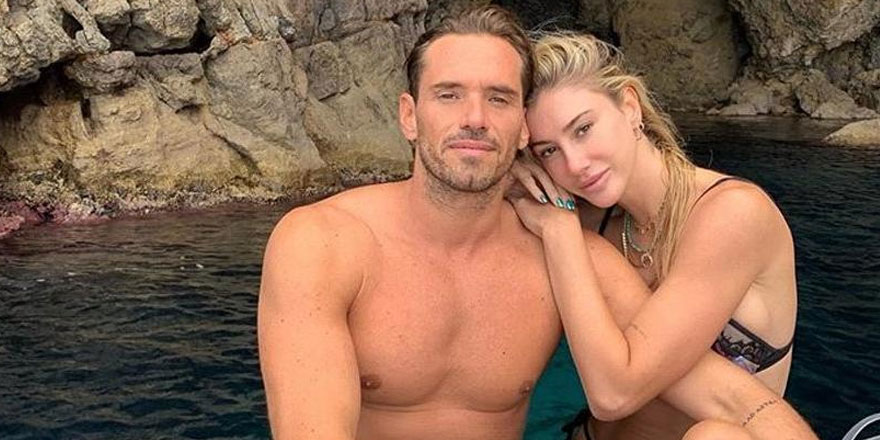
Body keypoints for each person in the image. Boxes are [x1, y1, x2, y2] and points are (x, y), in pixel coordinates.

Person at [258, 7, 816, 440]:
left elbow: (733, 398)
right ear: (410, 115)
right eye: (449, 95)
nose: (475, 119)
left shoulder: (572, 252)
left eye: (499, 99)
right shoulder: (323, 243)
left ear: (521, 128)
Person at [508, 31, 805, 440]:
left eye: (583, 129)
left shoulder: (732, 214)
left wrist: (560, 231)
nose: (575, 164)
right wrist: (508, 173)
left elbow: (615, 393)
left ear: (630, 107)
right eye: (548, 151)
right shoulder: (591, 221)